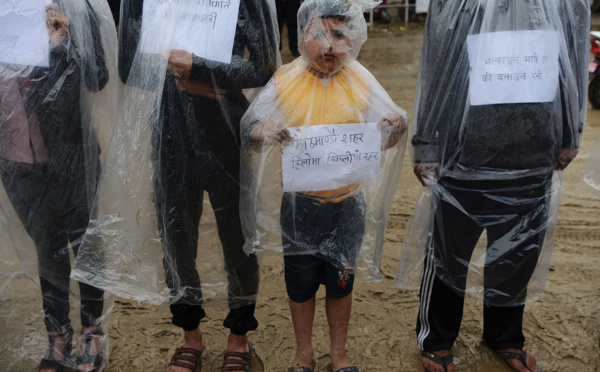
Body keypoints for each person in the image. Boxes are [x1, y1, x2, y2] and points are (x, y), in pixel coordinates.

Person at [395, 1, 589, 371]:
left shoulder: (563, 3)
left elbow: (574, 54)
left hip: (533, 150)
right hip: (462, 153)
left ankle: (505, 335)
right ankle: (437, 339)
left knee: (517, 254)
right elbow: (438, 62)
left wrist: (570, 132)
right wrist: (429, 145)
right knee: (449, 256)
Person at [240, 0, 407, 371]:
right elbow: (250, 129)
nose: (329, 46)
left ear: (353, 40)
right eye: (319, 34)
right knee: (299, 285)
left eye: (339, 35)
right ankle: (304, 353)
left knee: (341, 282)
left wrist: (394, 129)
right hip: (300, 208)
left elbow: (384, 135)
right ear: (302, 36)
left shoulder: (361, 79)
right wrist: (260, 130)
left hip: (347, 208)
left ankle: (339, 353)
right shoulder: (285, 79)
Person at [114, 1, 279, 371]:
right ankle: (191, 335)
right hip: (169, 132)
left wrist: (203, 70)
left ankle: (239, 338)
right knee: (176, 237)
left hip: (227, 130)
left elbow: (265, 67)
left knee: (238, 238)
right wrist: (180, 77)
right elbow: (129, 67)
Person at [0, 1, 117, 371]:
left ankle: (91, 333)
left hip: (69, 152)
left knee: (85, 242)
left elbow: (98, 76)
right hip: (14, 155)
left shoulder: (76, 7)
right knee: (45, 246)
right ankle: (58, 335)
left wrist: (62, 44)